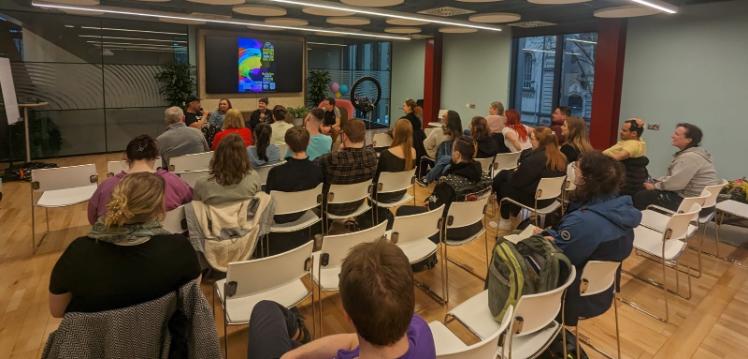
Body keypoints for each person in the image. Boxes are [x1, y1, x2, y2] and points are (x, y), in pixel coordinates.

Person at [247, 240, 435, 359]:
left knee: (265, 309)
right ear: (410, 302)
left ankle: (297, 330)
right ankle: (298, 335)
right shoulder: (419, 329)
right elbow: (353, 342)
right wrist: (295, 355)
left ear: (346, 315)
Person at [49, 172, 201, 316]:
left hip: (98, 342)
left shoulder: (78, 253)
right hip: (165, 340)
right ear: (159, 209)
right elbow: (192, 296)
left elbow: (57, 310)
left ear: (115, 201)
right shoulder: (179, 249)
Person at [544, 151, 641, 325]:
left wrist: (547, 239)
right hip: (601, 290)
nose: (573, 170)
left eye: (576, 168)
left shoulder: (584, 221)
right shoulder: (623, 208)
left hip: (571, 294)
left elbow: (561, 257)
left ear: (586, 179)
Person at [88, 135, 192, 225]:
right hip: (167, 241)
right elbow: (190, 205)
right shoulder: (174, 180)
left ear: (127, 157)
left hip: (116, 245)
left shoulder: (106, 186)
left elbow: (93, 219)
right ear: (155, 157)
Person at [633, 123, 720, 211]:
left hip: (693, 204)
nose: (672, 136)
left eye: (677, 134)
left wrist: (655, 186)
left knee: (642, 196)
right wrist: (658, 181)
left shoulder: (690, 157)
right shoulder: (697, 153)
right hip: (700, 202)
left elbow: (676, 184)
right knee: (647, 189)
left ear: (688, 140)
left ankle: (637, 221)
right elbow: (676, 179)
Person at [494, 127, 567, 230]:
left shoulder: (535, 160)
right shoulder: (562, 157)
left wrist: (512, 173)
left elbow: (516, 182)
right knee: (505, 176)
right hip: (551, 199)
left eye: (532, 139)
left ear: (540, 142)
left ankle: (505, 220)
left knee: (503, 183)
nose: (530, 141)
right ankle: (512, 213)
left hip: (537, 201)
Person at [319, 119, 378, 217]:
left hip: (331, 207)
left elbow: (314, 166)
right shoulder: (372, 155)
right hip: (358, 202)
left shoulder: (331, 159)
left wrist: (337, 151)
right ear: (363, 136)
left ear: (344, 136)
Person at [266, 126, 324, 223]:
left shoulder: (276, 172)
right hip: (306, 211)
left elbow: (268, 199)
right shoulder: (317, 170)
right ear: (308, 142)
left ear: (288, 145)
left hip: (280, 216)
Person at [194, 134, 260, 205]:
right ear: (244, 155)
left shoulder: (202, 184)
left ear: (217, 154)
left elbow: (197, 211)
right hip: (245, 215)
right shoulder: (253, 177)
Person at [604, 118, 649, 196]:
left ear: (634, 134)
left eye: (624, 131)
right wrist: (635, 120)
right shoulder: (638, 141)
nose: (621, 132)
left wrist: (604, 154)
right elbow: (640, 127)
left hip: (625, 184)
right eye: (622, 129)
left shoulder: (632, 144)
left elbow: (618, 157)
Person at [375, 119, 416, 204]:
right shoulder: (413, 152)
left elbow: (376, 178)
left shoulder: (386, 154)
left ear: (395, 132)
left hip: (381, 196)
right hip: (401, 192)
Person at [417, 110, 463, 186]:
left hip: (453, 159)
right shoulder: (437, 131)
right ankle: (429, 180)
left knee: (447, 166)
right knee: (445, 151)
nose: (441, 118)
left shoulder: (459, 134)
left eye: (444, 116)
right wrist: (434, 154)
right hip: (441, 158)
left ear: (450, 120)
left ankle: (427, 180)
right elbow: (426, 145)